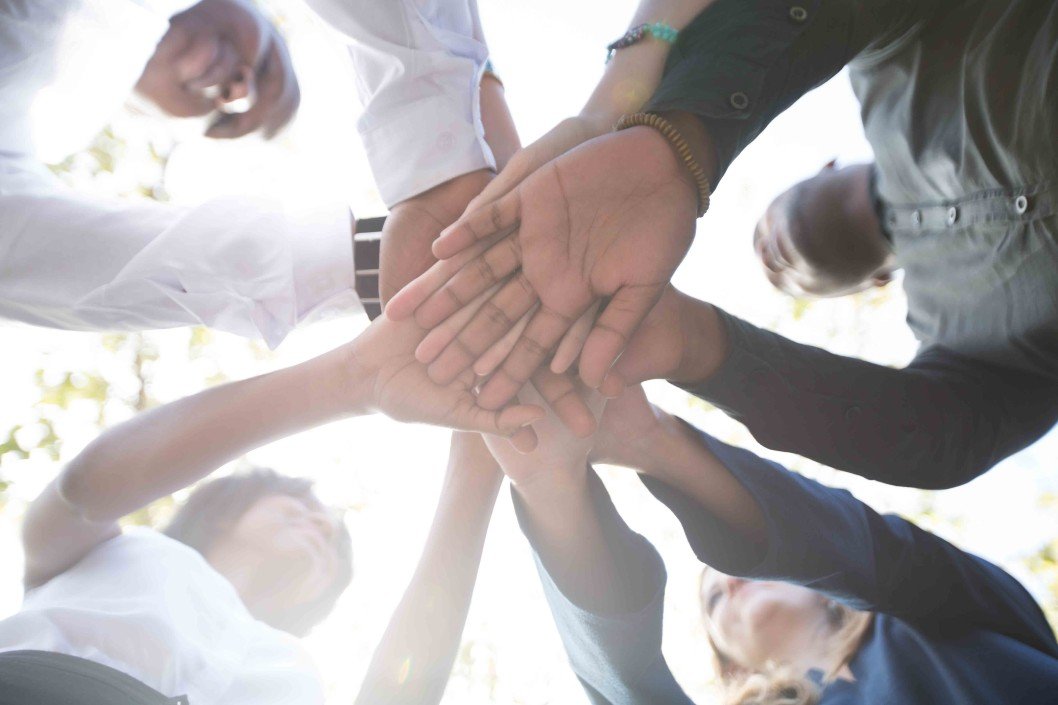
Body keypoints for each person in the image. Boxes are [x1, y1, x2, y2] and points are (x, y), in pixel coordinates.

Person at [391, 0, 1058, 488]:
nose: (771, 256)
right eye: (785, 279)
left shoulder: (889, 62)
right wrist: (695, 344)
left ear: (821, 167)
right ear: (869, 286)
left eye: (760, 229)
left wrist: (683, 141)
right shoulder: (964, 351)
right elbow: (937, 442)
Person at [0, 310, 533, 704]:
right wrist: (353, 377)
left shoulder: (292, 671)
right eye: (299, 505)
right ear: (228, 508)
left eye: (331, 543)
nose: (320, 523)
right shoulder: (117, 551)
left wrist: (478, 458)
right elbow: (80, 492)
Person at [485, 384, 1058, 704]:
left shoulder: (931, 610)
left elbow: (859, 546)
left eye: (725, 571)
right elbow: (630, 689)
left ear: (822, 587)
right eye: (713, 602)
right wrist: (548, 484)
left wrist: (649, 440)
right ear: (729, 659)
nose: (728, 580)